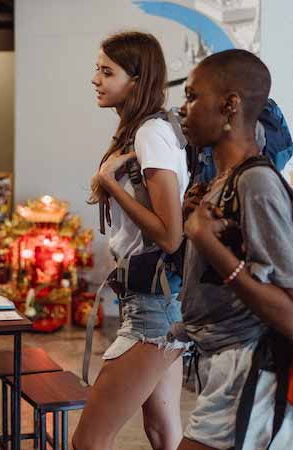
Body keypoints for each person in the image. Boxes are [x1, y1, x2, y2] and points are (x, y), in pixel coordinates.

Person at [176, 49, 293, 450]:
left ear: (230, 104)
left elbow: (292, 317)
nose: (183, 110)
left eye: (192, 96)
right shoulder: (223, 182)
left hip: (253, 371)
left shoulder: (257, 184)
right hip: (225, 367)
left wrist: (206, 243)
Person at [72, 31, 189, 450]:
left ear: (136, 80)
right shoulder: (143, 129)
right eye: (97, 70)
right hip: (155, 300)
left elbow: (170, 234)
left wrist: (109, 183)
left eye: (107, 71)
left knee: (89, 441)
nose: (95, 79)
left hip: (152, 310)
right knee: (162, 431)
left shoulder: (150, 134)